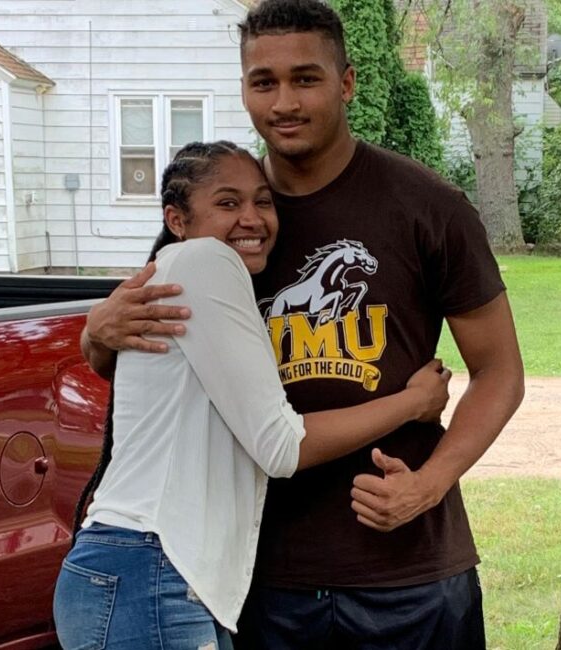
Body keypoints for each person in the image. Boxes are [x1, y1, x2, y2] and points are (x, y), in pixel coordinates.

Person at [81, 1, 526, 647]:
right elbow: (136, 354)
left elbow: (500, 372)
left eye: (305, 78)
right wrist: (97, 330)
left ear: (346, 82)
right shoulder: (217, 221)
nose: (284, 101)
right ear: (244, 90)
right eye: (264, 82)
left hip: (408, 572)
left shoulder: (428, 207)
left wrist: (429, 485)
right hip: (257, 578)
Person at [54, 141, 452, 650]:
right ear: (176, 219)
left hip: (160, 575)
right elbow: (282, 446)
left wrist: (93, 335)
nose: (252, 218)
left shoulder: (186, 273)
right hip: (152, 569)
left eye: (263, 202)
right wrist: (413, 402)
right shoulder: (205, 261)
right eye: (227, 203)